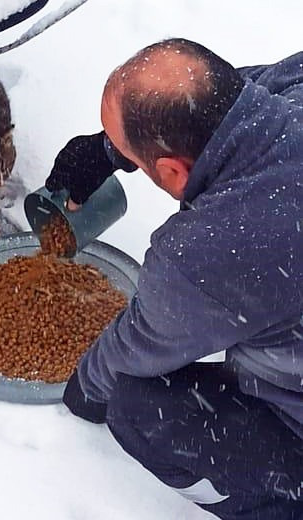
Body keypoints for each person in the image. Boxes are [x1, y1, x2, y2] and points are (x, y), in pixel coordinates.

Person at [46, 38, 302, 519]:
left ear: (170, 170)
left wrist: (81, 390)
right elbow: (234, 96)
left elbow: (133, 350)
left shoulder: (213, 250)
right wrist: (107, 153)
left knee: (139, 408)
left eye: (137, 160)